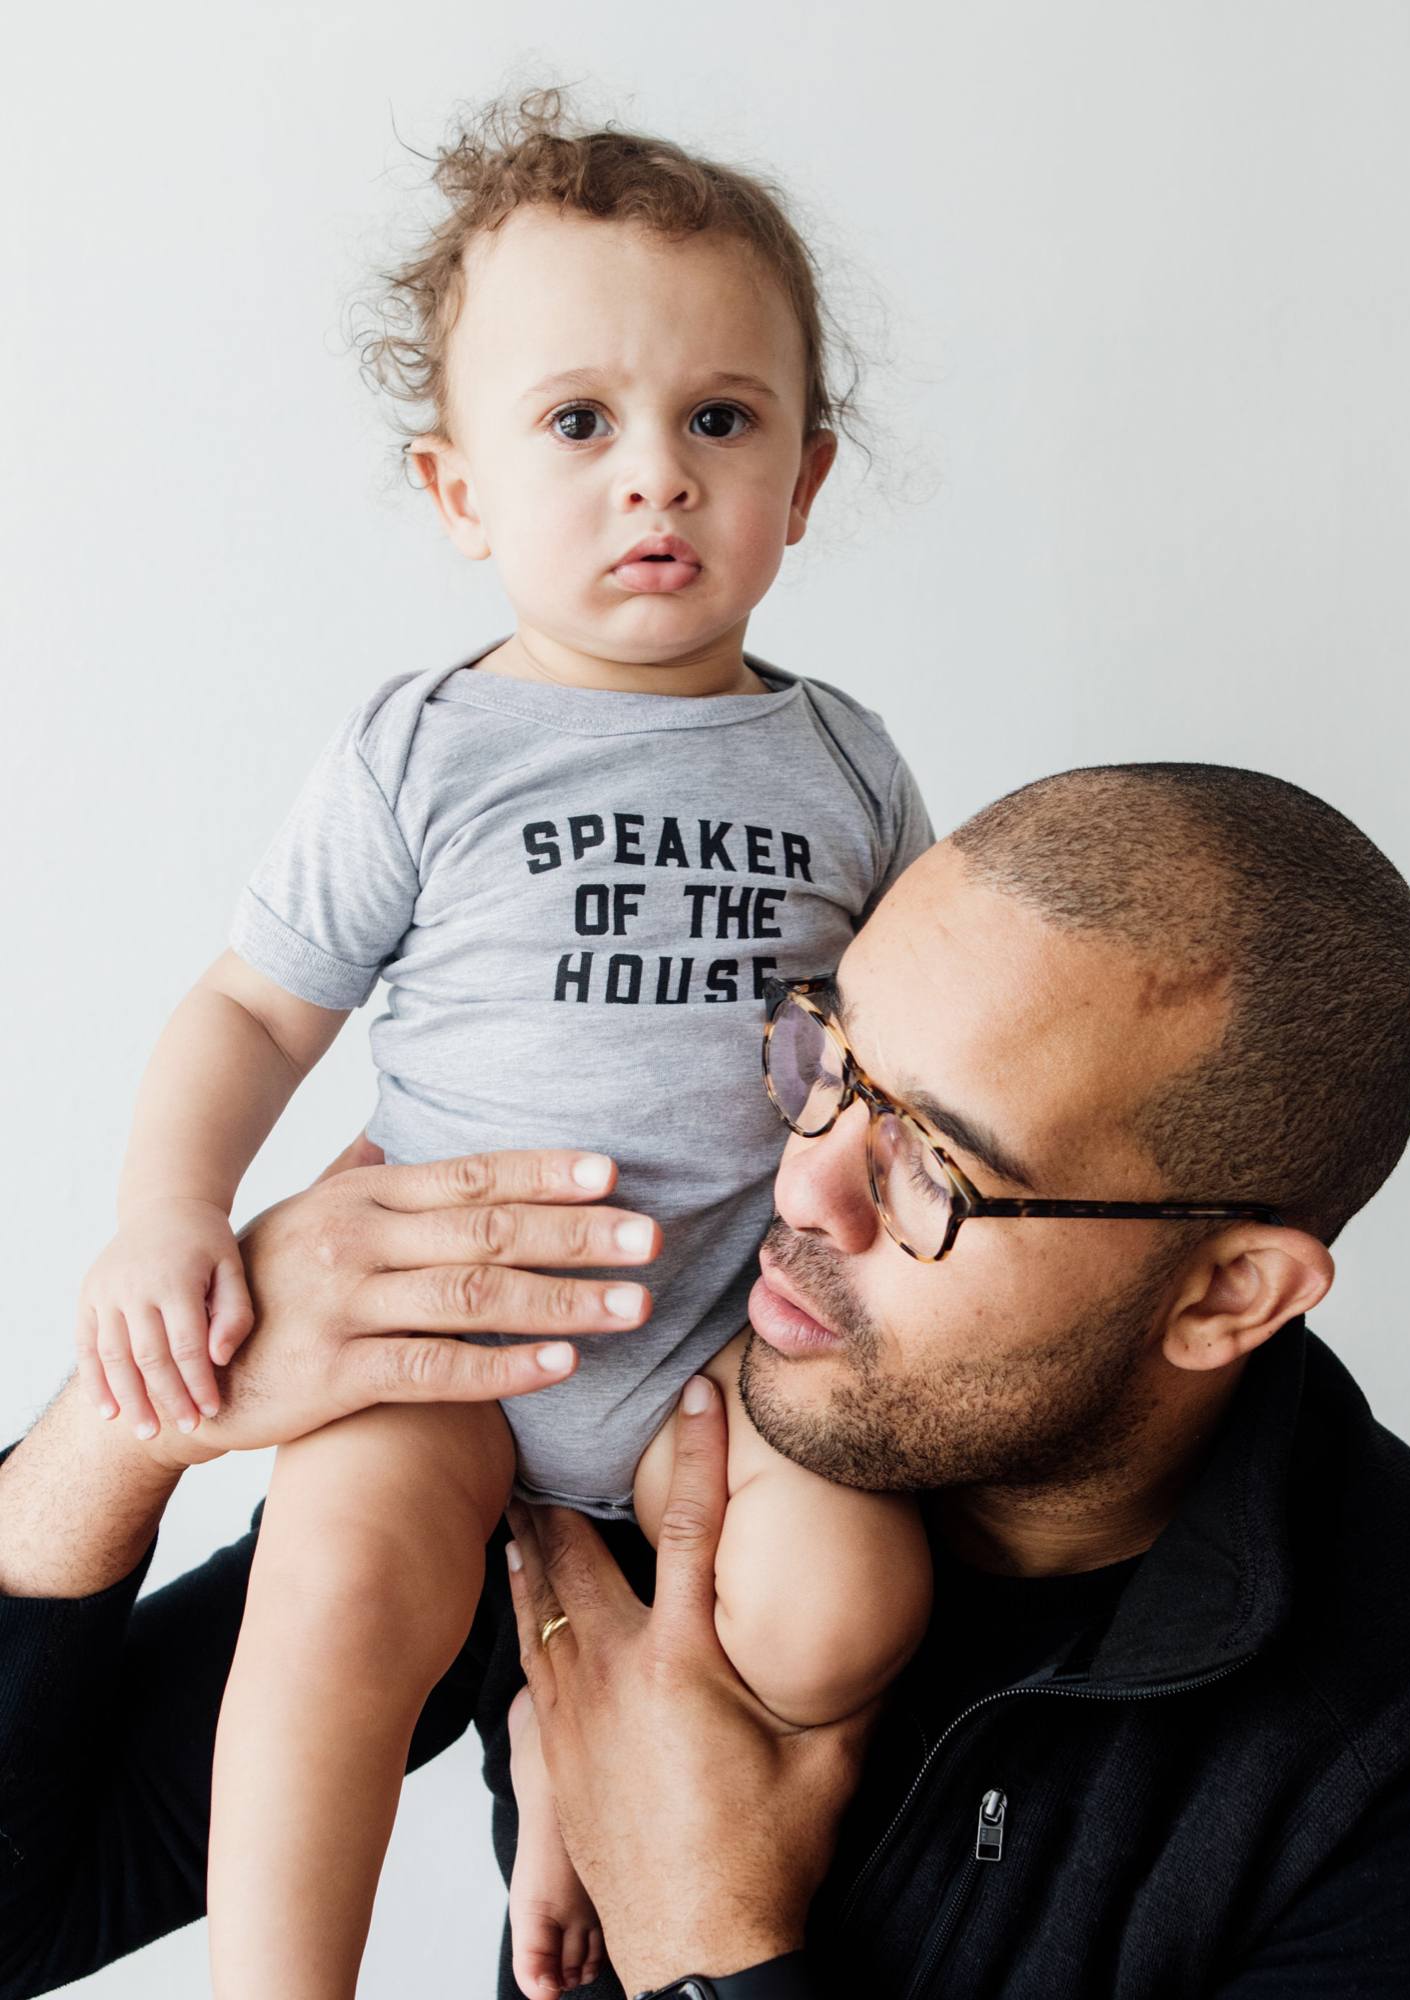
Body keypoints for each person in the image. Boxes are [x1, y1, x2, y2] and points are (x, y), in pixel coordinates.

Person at [6, 765, 1410, 1998]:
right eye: (828, 1060)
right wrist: (144, 1406)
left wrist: (715, 1940)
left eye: (935, 1174)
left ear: (1225, 1292)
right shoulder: (670, 1416)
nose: (800, 1193)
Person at [66, 87, 935, 2000]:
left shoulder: (847, 762)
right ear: (459, 489)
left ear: (803, 482)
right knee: (334, 1598)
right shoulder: (425, 747)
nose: (658, 478)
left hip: (730, 1355)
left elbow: (919, 1039)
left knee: (846, 1610)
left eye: (722, 420)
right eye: (578, 423)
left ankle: (581, 1752)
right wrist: (165, 1213)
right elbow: (247, 1006)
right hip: (446, 1359)